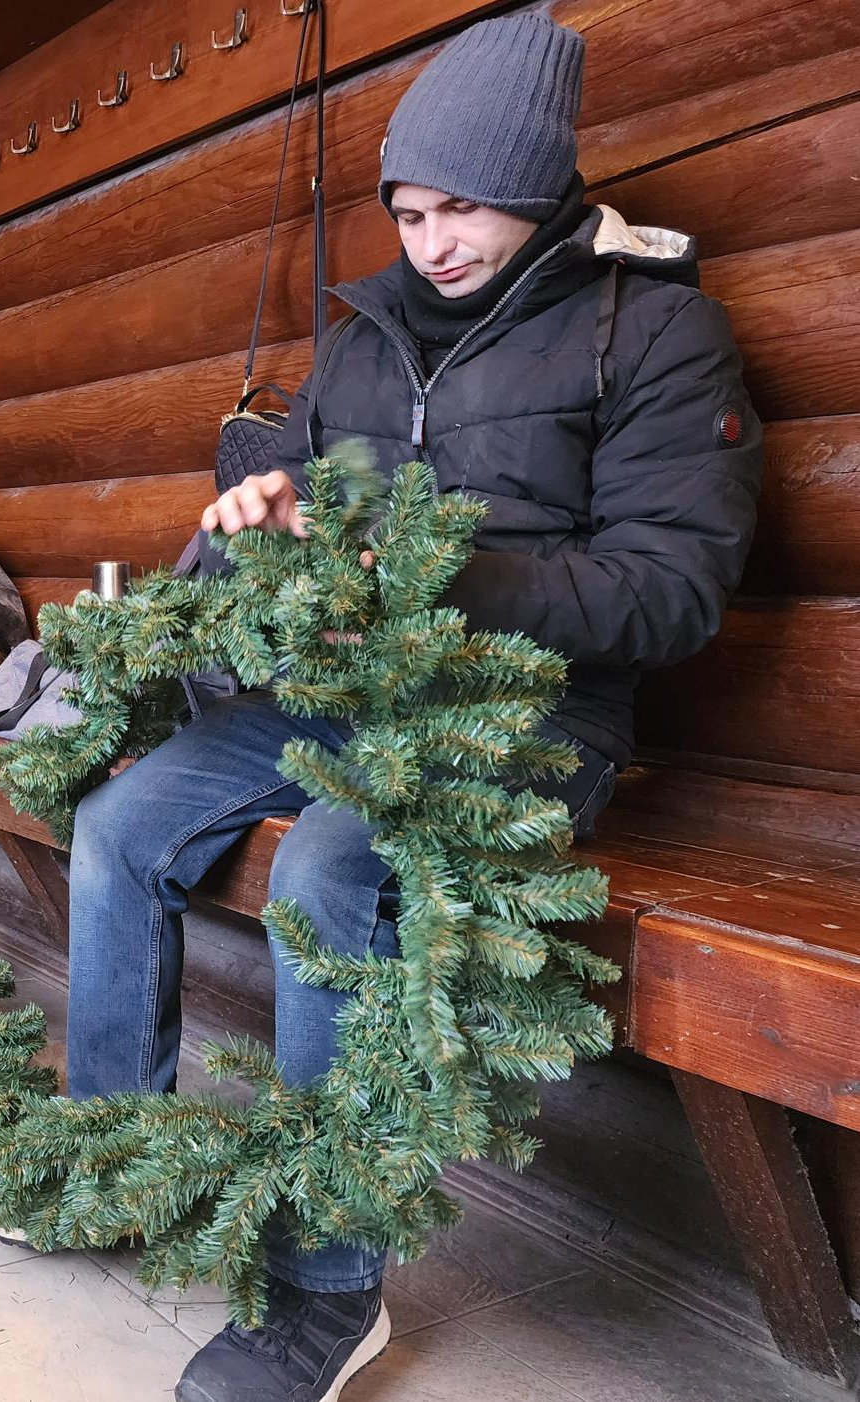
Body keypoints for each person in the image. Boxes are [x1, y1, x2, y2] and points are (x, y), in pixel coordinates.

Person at [61, 16, 763, 1401]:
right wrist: (267, 515)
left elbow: (672, 592)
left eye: (465, 208)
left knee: (328, 872)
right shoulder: (366, 339)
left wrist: (450, 571)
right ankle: (110, 1160)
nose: (432, 240)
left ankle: (330, 1291)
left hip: (530, 720)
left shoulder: (658, 328)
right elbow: (312, 496)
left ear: (541, 187)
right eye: (410, 208)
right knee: (120, 817)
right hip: (346, 691)